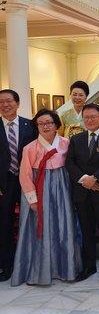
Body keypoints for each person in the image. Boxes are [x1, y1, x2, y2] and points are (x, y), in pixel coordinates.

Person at [12, 110, 82, 286]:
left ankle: (65, 268)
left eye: (49, 122)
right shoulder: (30, 148)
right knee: (40, 230)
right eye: (41, 123)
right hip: (39, 189)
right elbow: (25, 176)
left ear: (56, 124)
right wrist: (32, 199)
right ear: (36, 126)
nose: (45, 126)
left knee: (63, 226)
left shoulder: (67, 144)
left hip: (62, 191)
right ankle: (39, 270)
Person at [65, 103, 99, 281]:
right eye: (86, 117)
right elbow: (70, 164)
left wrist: (95, 178)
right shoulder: (76, 139)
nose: (89, 120)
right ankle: (89, 266)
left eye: (93, 117)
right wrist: (85, 180)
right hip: (82, 193)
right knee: (87, 231)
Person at [0, 89, 36, 282]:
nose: (5, 105)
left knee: (28, 221)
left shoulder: (29, 125)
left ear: (17, 103)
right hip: (3, 184)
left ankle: (28, 261)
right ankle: (7, 265)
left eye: (9, 101)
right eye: (1, 102)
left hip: (26, 181)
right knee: (4, 224)